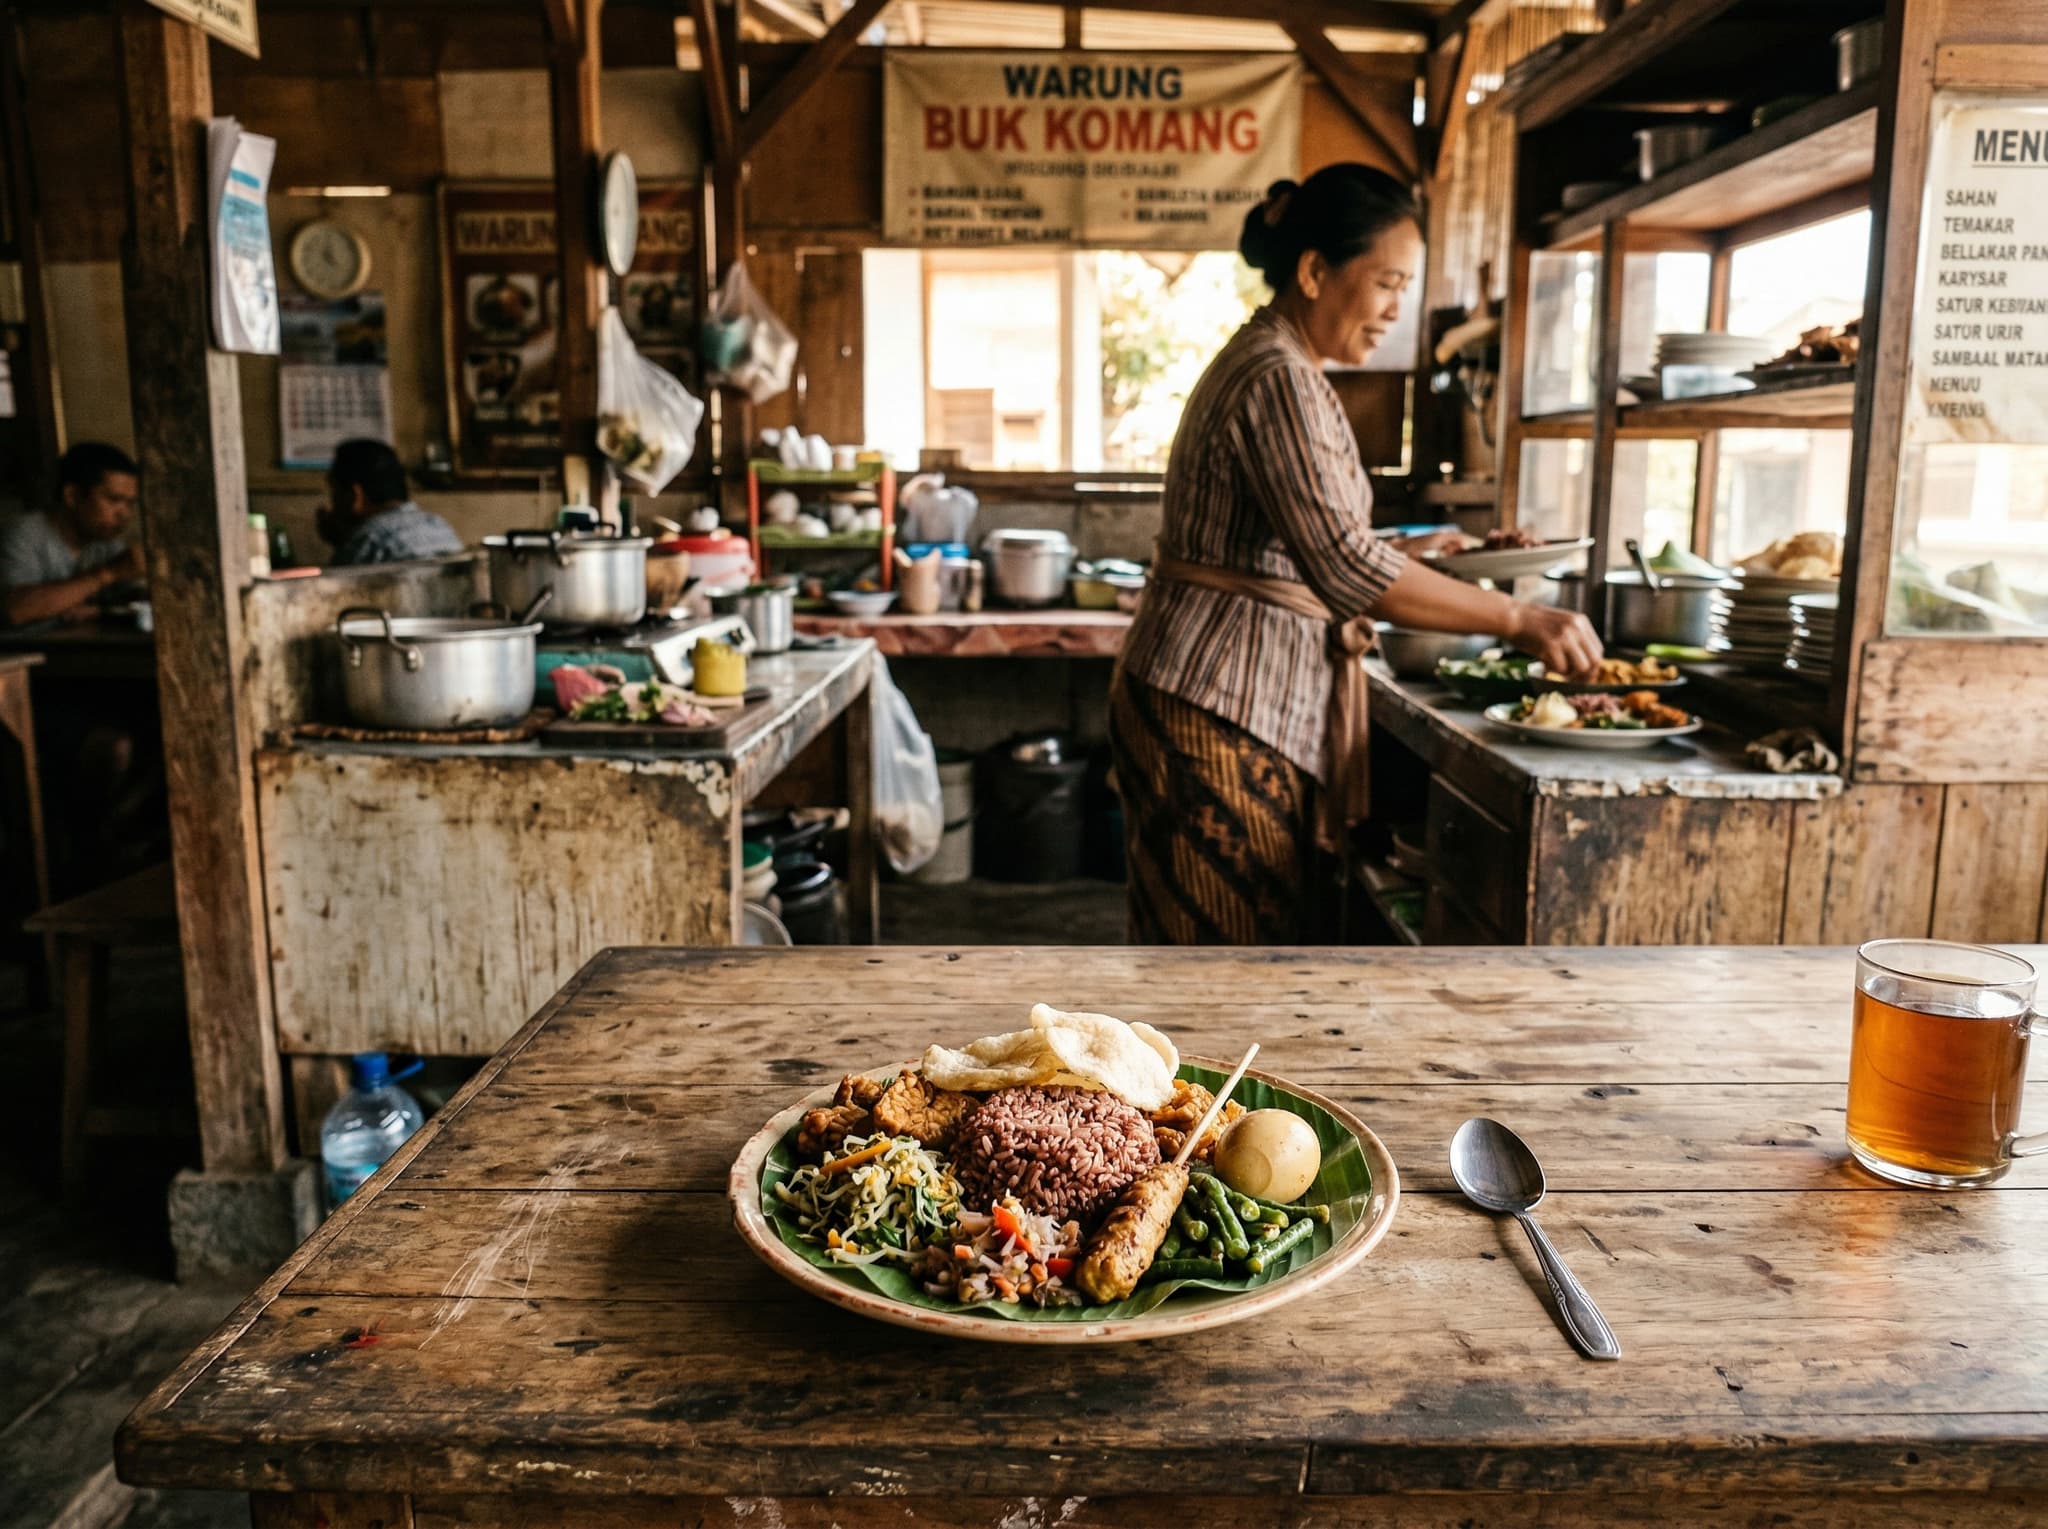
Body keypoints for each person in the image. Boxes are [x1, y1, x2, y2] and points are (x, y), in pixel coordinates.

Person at [1110, 164, 1601, 946]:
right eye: (1386, 283)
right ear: (1313, 271)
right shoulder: (1279, 379)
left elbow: (1299, 540)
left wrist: (1416, 548)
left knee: (1214, 946)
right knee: (1218, 959)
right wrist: (1520, 618)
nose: (1396, 309)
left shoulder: (1283, 364)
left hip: (1222, 694)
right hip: (1220, 700)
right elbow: (1342, 565)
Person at [0, 442, 143, 627]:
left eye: (130, 504)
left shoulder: (105, 542)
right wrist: (108, 573)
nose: (125, 514)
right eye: (114, 500)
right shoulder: (23, 534)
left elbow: (129, 599)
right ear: (72, 496)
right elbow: (15, 611)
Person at [319, 439, 464, 566]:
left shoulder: (368, 539)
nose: (333, 504)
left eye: (335, 492)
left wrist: (342, 543)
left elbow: (337, 592)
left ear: (355, 495)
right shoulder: (437, 524)